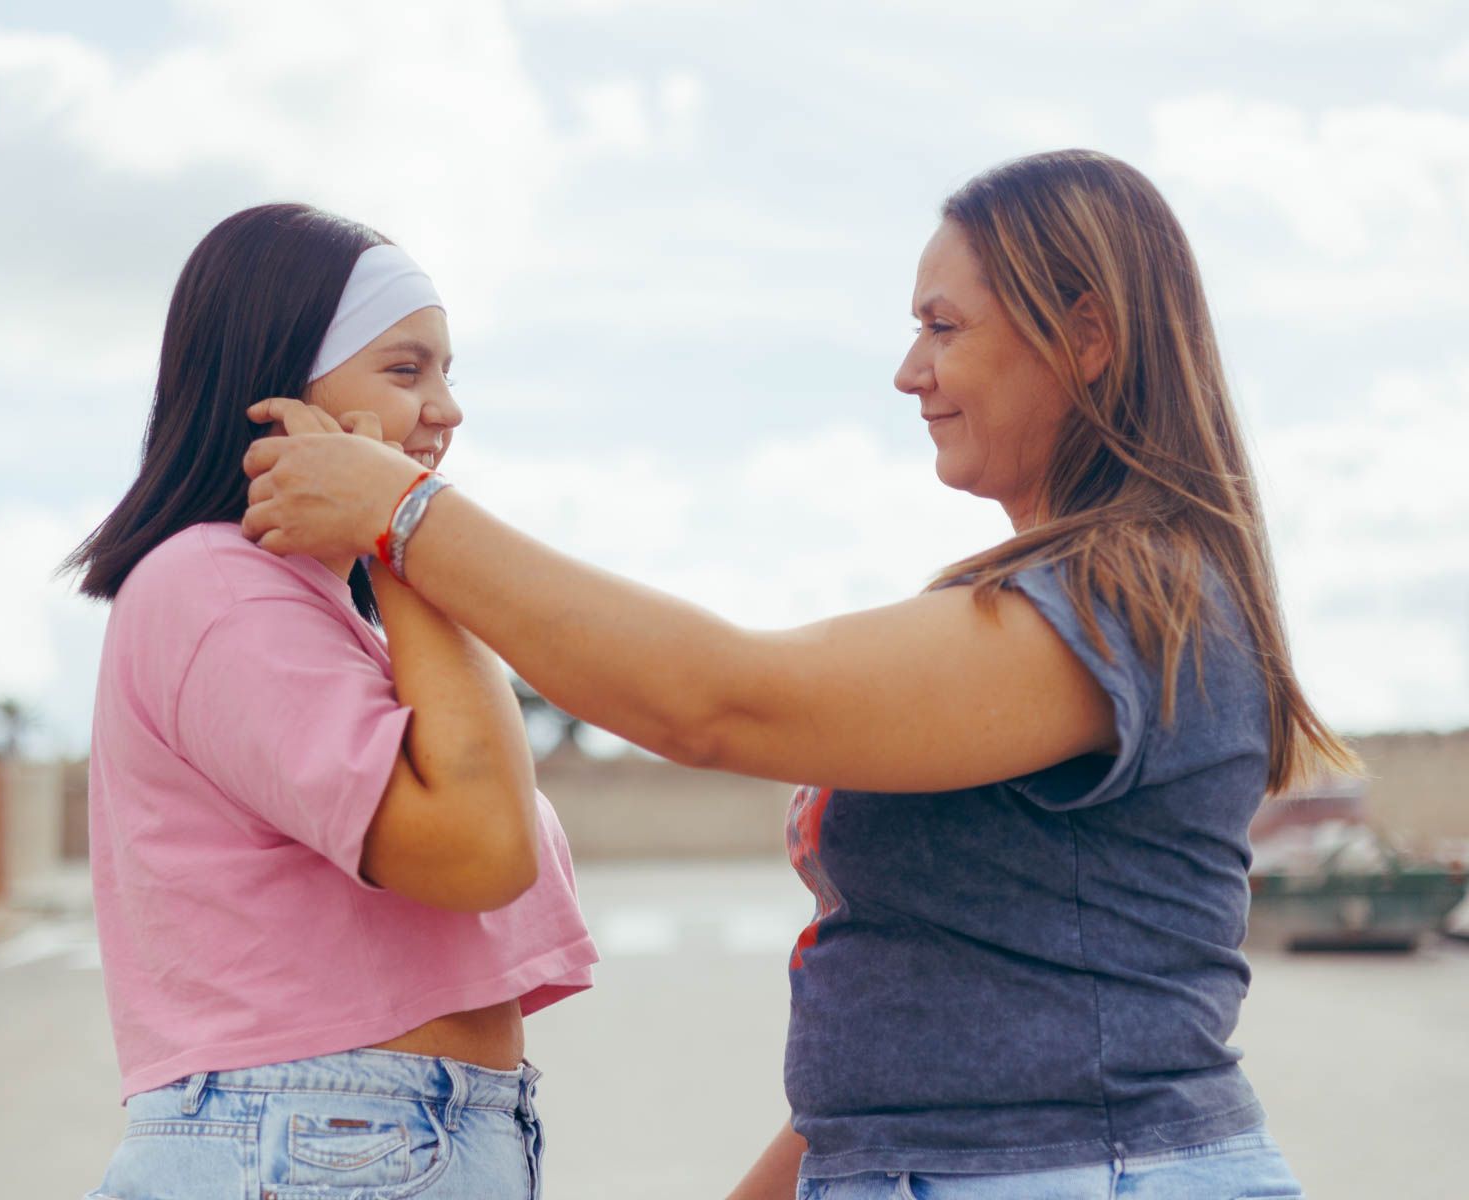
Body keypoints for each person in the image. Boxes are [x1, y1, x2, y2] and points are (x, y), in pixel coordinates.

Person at [237, 151, 1355, 1199]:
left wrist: (402, 514)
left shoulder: (1122, 601)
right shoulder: (1064, 599)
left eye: (943, 326)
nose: (911, 371)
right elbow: (914, 1050)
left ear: (1089, 335)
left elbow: (719, 701)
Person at [66, 204, 596, 1200]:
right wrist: (397, 534)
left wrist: (390, 535)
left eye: (448, 372)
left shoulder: (314, 613)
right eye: (405, 370)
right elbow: (481, 846)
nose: (446, 408)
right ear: (279, 388)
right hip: (329, 1138)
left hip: (354, 1138)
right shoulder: (216, 588)